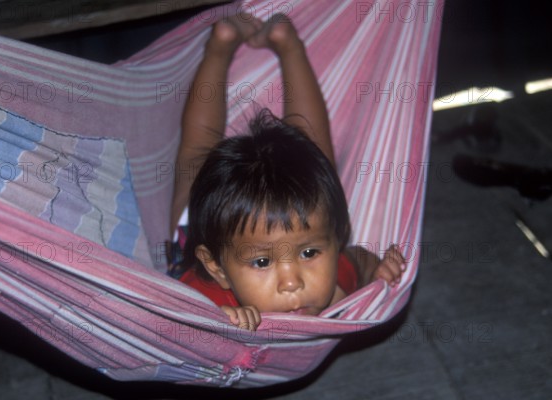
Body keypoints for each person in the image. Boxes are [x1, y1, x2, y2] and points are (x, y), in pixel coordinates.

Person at [169, 13, 405, 331]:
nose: (292, 282)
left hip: (286, 223)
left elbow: (360, 261)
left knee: (313, 173)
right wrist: (210, 325)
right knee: (195, 158)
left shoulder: (336, 275)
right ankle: (221, 47)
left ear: (337, 238)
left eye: (309, 253)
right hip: (196, 238)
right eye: (263, 262)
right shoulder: (198, 297)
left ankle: (284, 45)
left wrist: (380, 273)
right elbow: (166, 324)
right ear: (218, 269)